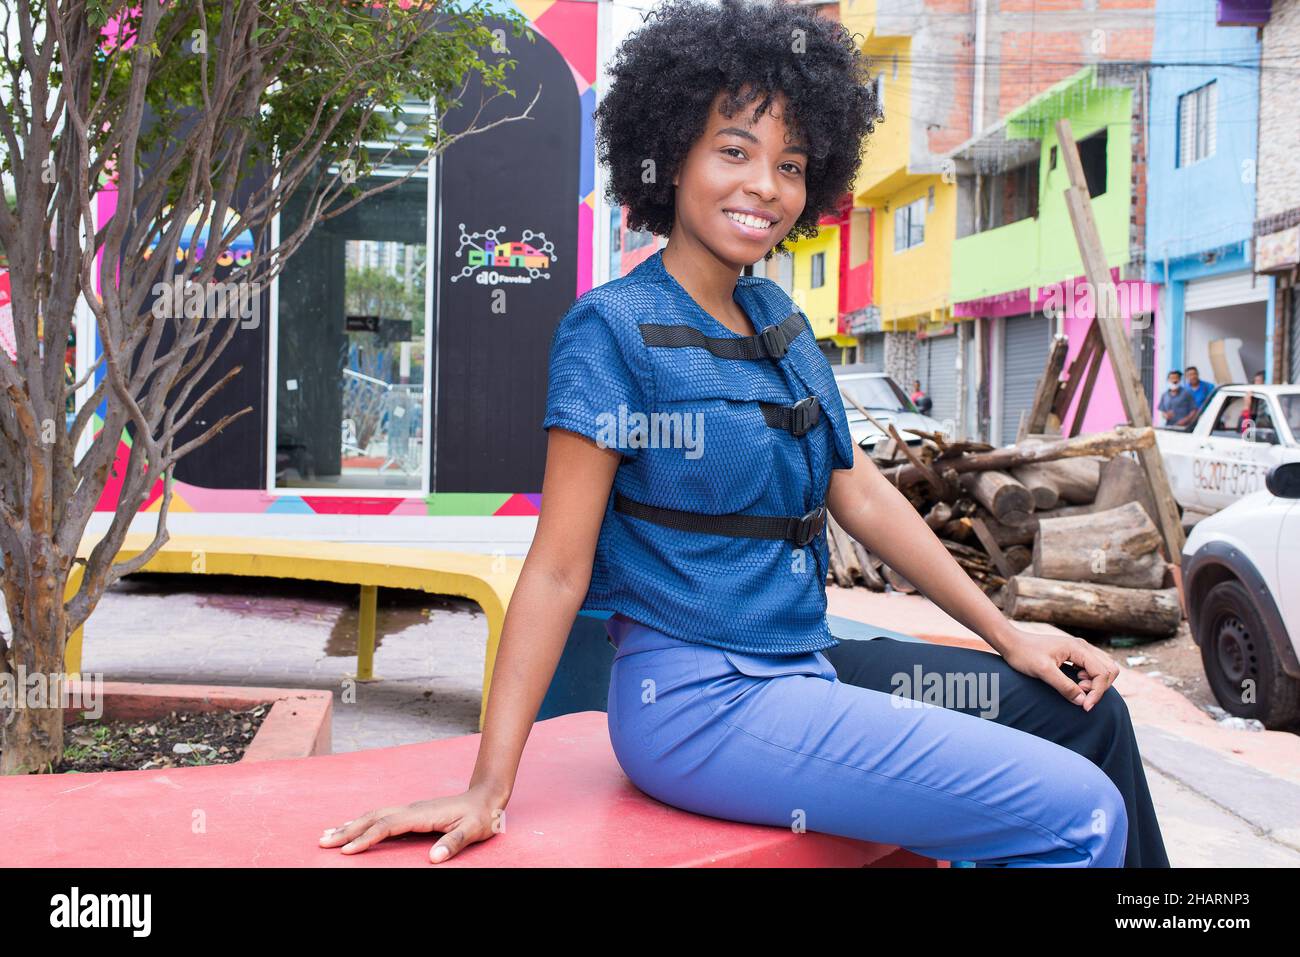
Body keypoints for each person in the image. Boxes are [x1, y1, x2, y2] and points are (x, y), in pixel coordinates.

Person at [319, 0, 1167, 867]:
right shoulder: (609, 329)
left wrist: (1012, 634)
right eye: (734, 150)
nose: (765, 184)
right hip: (699, 702)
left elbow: (862, 491)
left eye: (790, 164)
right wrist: (487, 783)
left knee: (1088, 716)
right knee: (1082, 815)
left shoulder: (779, 319)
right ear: (671, 153)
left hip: (806, 660)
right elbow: (559, 567)